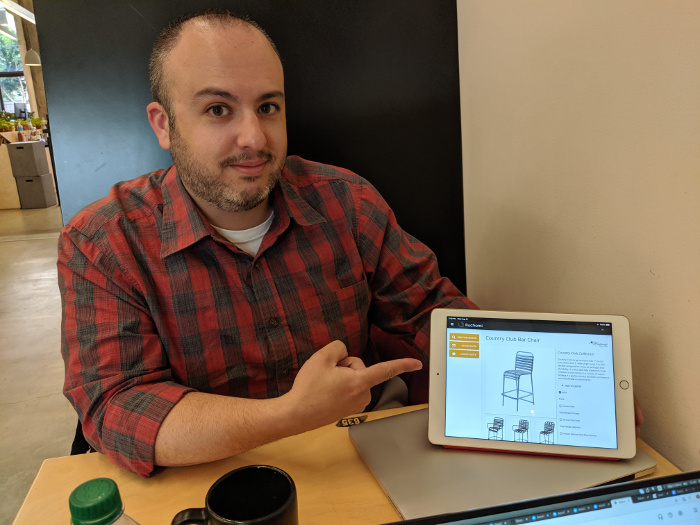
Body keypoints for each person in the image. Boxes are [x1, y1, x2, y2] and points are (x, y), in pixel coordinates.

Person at [58, 10, 478, 478]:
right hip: (210, 479)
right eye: (218, 110)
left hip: (355, 460)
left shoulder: (348, 202)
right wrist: (290, 415)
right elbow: (116, 406)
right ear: (163, 124)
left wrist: (515, 375)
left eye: (268, 107)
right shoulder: (105, 242)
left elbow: (434, 314)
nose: (254, 138)